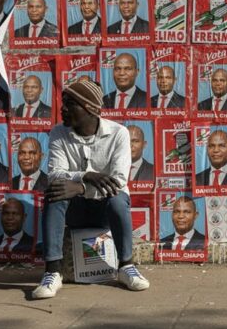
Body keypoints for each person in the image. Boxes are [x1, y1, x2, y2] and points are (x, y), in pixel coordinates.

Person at [33, 78, 149, 299]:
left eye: (69, 104)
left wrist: (80, 188)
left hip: (105, 211)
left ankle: (126, 267)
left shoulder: (119, 134)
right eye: (63, 102)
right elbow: (55, 173)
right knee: (55, 193)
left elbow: (119, 181)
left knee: (118, 197)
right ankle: (52, 272)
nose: (63, 109)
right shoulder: (58, 133)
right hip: (75, 212)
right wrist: (86, 175)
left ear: (89, 108)